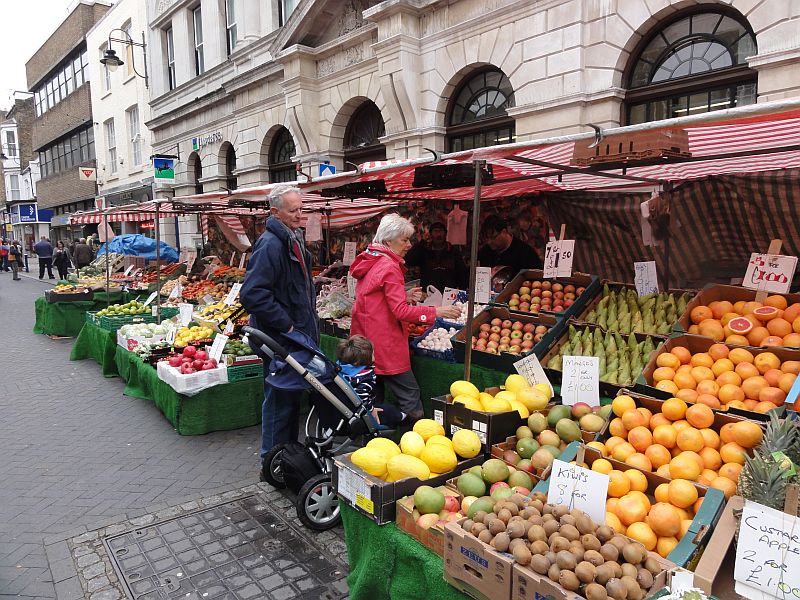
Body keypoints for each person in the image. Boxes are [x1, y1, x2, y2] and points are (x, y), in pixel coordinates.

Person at [349, 214, 461, 422]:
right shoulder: (390, 266)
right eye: (404, 240)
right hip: (385, 343)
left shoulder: (371, 259)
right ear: (389, 240)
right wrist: (436, 312)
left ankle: (374, 442)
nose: (409, 245)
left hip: (367, 340)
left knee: (374, 398)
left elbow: (372, 297)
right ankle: (411, 441)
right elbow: (400, 312)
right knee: (411, 398)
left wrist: (404, 295)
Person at [240, 185, 317, 466]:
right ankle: (270, 463)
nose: (301, 215)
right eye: (294, 210)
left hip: (293, 338)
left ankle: (286, 458)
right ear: (276, 212)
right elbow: (252, 294)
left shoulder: (290, 238)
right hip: (280, 340)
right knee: (279, 401)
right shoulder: (271, 243)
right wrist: (286, 325)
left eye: (302, 208)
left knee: (289, 400)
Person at [335, 335, 405, 429]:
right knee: (389, 411)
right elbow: (361, 397)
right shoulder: (365, 376)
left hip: (340, 407)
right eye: (372, 353)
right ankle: (402, 418)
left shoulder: (339, 367)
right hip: (358, 412)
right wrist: (371, 410)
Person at [404, 221, 468, 292]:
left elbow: (462, 273)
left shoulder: (453, 251)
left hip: (449, 294)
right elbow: (409, 260)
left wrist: (461, 291)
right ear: (430, 234)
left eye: (441, 231)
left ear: (446, 234)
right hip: (428, 294)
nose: (438, 235)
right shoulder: (424, 250)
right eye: (435, 231)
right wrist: (422, 242)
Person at [477, 215, 542, 274]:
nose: (489, 242)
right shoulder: (485, 253)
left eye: (493, 237)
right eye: (487, 238)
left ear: (504, 232)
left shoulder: (525, 252)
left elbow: (536, 276)